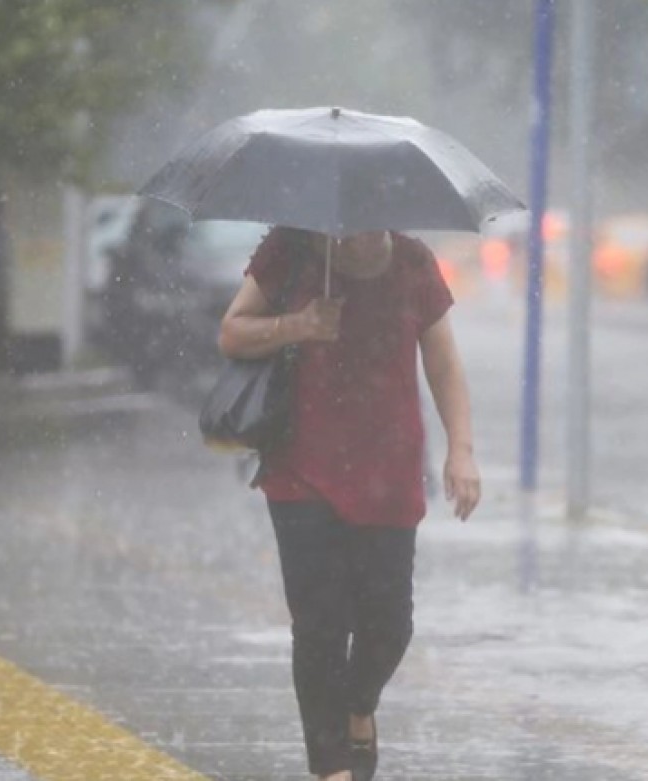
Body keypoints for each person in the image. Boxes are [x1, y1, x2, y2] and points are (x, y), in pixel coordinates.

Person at [217, 226, 481, 781]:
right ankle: (331, 766)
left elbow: (444, 365)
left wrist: (461, 450)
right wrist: (300, 325)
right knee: (320, 625)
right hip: (301, 469)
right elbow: (232, 333)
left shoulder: (412, 263)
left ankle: (359, 705)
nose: (362, 230)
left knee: (390, 624)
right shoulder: (289, 250)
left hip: (389, 469)